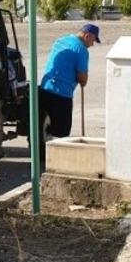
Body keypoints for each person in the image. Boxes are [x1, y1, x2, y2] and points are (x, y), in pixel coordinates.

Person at [35, 23, 100, 173]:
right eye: (93, 40)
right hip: (61, 94)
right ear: (87, 35)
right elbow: (82, 77)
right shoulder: (81, 49)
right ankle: (58, 166)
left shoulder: (61, 40)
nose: (92, 44)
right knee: (61, 131)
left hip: (44, 88)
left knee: (41, 126)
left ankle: (41, 156)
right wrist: (83, 81)